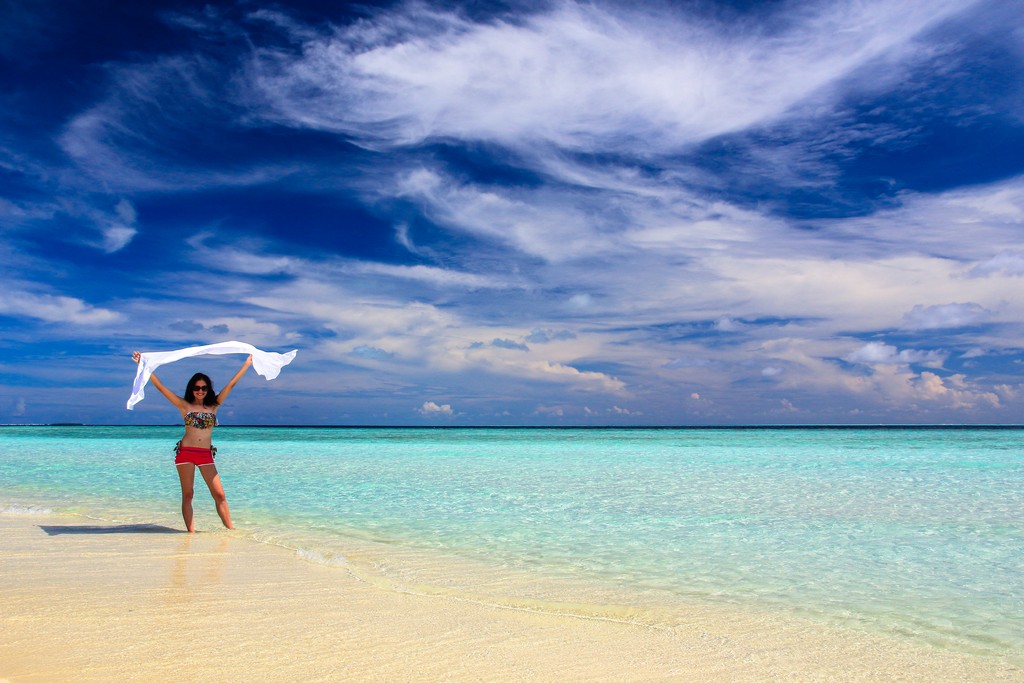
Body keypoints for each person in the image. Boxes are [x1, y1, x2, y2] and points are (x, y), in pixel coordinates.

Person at [131, 351, 252, 532]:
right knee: (188, 495)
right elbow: (161, 388)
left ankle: (231, 532)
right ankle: (190, 533)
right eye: (197, 388)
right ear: (191, 389)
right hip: (186, 453)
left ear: (208, 389)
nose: (200, 391)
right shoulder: (184, 405)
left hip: (205, 455)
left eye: (203, 388)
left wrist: (247, 364)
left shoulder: (214, 405)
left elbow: (231, 385)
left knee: (219, 495)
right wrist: (143, 364)